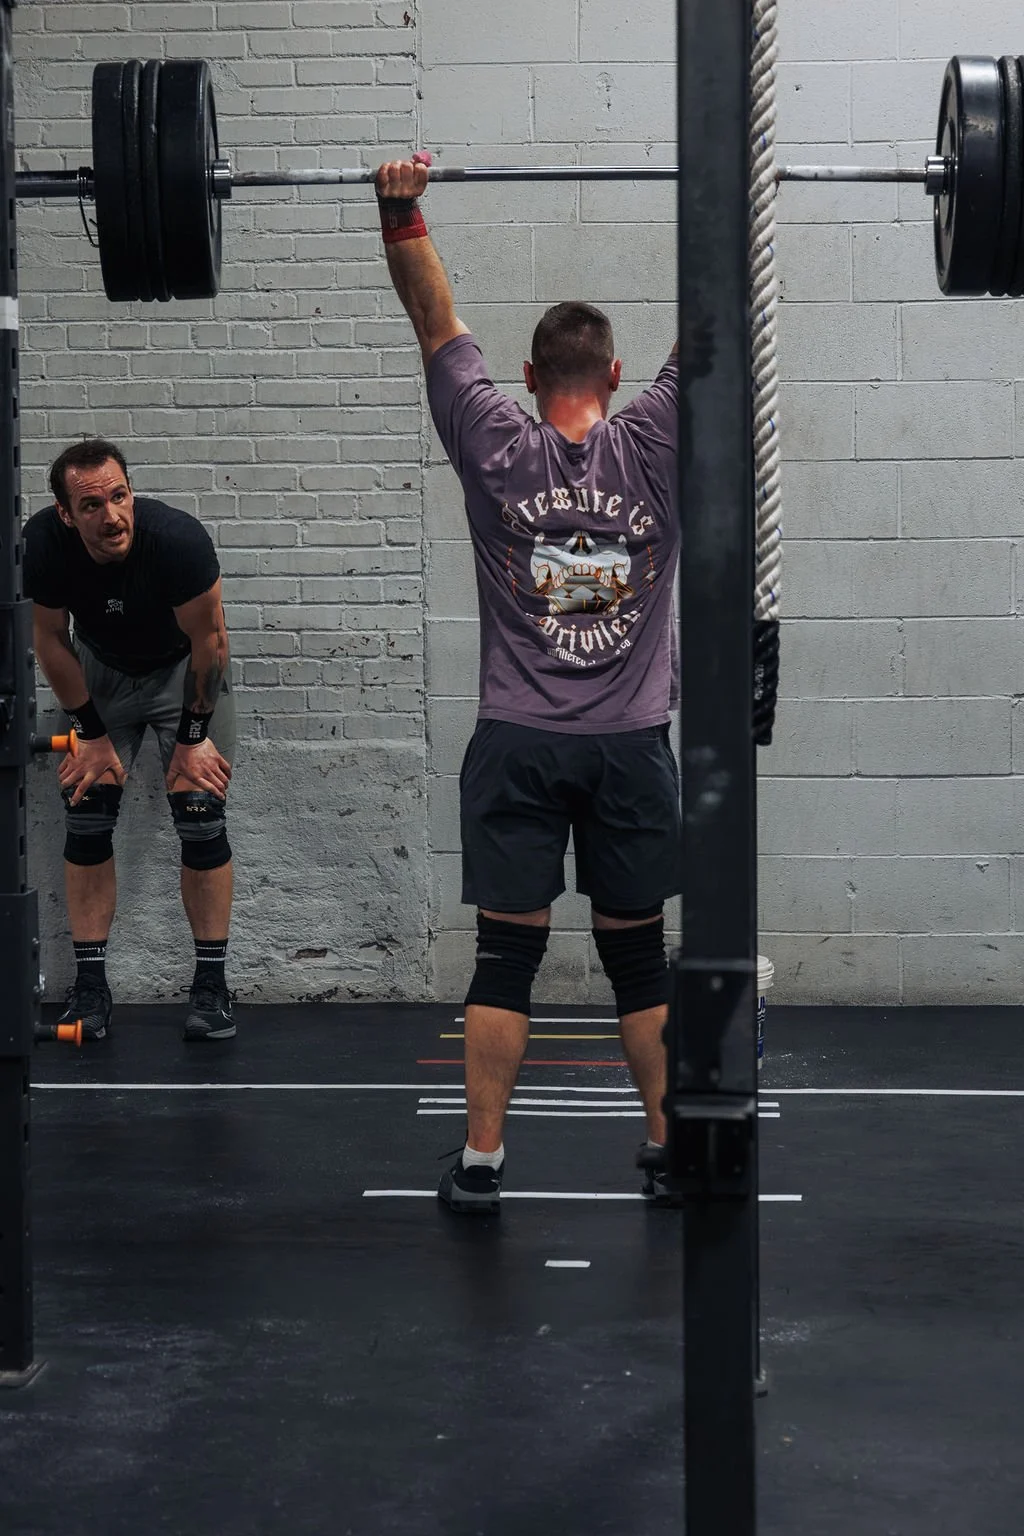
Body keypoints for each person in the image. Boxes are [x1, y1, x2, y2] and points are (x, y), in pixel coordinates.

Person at [376, 157, 681, 1212]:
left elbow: (432, 319)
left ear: (526, 373)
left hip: (515, 740)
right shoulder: (656, 442)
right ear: (615, 374)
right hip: (630, 744)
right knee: (639, 962)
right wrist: (733, 193)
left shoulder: (494, 442)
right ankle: (666, 1147)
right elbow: (722, 328)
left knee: (505, 959)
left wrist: (400, 207)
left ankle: (482, 1163)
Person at [22, 438, 237, 1043]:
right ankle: (91, 989)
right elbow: (49, 639)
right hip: (101, 669)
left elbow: (211, 642)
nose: (112, 516)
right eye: (91, 506)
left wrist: (193, 738)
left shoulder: (176, 541)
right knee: (87, 812)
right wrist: (89, 733)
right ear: (66, 514)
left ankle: (212, 987)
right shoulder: (44, 544)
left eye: (119, 497)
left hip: (182, 671)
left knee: (200, 811)